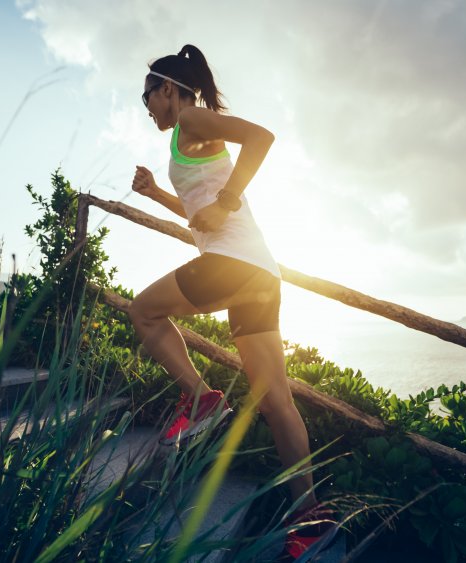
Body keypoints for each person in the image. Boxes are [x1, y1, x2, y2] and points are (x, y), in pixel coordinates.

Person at [128, 44, 336, 560]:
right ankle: (312, 520)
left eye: (147, 94)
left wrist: (224, 203)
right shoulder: (185, 138)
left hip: (234, 266)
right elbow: (200, 216)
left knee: (143, 311)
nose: (146, 104)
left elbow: (261, 139)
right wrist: (158, 194)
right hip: (259, 274)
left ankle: (201, 398)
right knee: (276, 402)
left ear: (169, 89)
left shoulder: (193, 118)